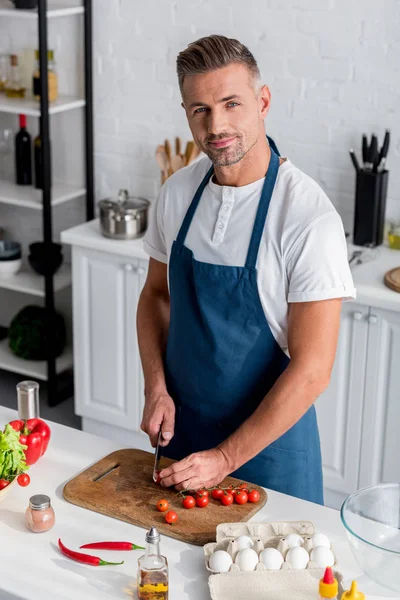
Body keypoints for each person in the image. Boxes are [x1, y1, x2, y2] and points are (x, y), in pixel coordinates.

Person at [137, 34, 356, 505]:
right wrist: (155, 386)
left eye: (231, 104)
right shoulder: (176, 194)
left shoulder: (307, 218)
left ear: (263, 101)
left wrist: (224, 458)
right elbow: (156, 295)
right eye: (201, 110)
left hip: (269, 456)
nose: (217, 125)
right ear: (186, 112)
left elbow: (314, 369)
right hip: (183, 441)